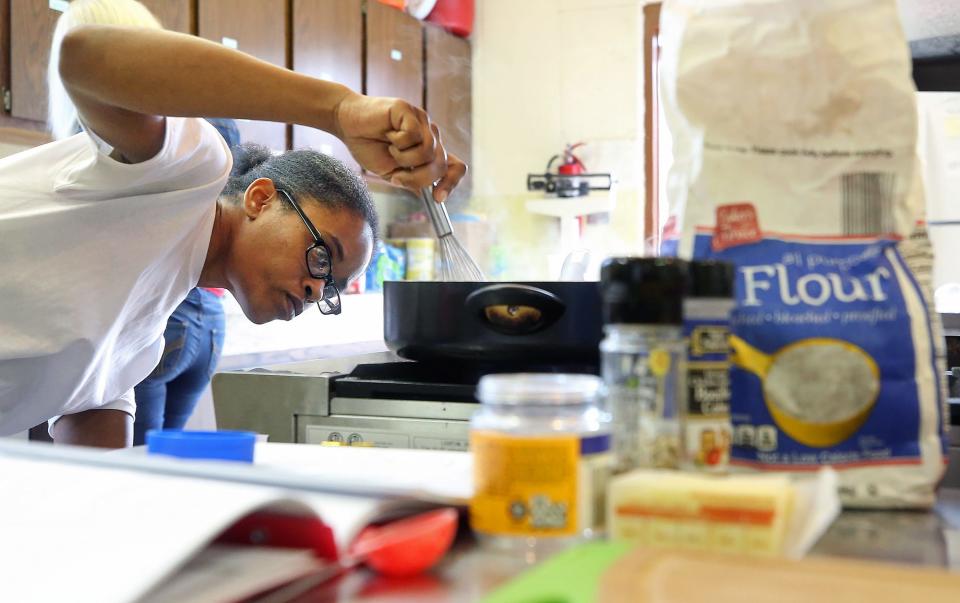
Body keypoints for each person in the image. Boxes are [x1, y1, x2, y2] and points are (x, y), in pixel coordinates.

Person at [0, 2, 466, 448]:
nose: (315, 290)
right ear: (260, 198)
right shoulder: (190, 172)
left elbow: (94, 445)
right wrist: (338, 110)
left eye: (331, 289)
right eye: (323, 257)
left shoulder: (141, 341)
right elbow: (83, 56)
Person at [45, 0, 241, 445]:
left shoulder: (103, 130)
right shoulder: (210, 126)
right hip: (208, 317)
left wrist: (336, 109)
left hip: (158, 316)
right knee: (161, 463)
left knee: (136, 466)